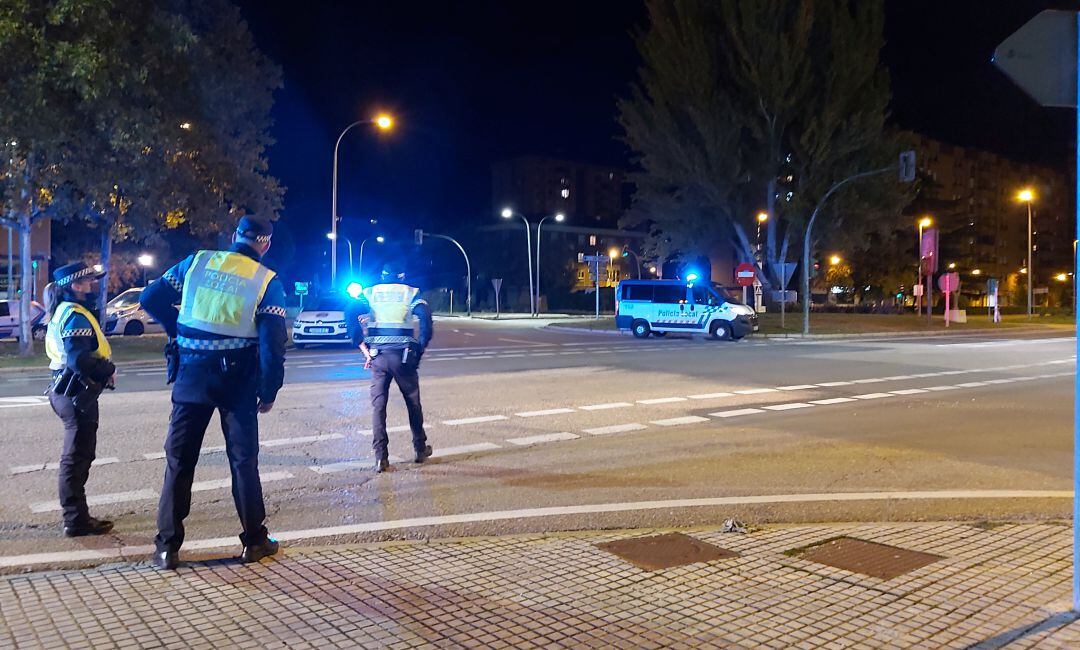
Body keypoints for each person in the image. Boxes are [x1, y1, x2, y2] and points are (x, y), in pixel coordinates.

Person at [140, 216, 288, 570]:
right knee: (243, 462)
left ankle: (166, 548)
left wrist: (176, 330)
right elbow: (272, 345)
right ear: (265, 244)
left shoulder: (197, 262)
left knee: (179, 461)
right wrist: (268, 391)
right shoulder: (266, 280)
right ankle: (254, 542)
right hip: (237, 381)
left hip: (191, 374)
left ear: (234, 235)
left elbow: (150, 297)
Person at [43, 262, 116, 537]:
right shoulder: (74, 315)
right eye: (87, 281)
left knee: (79, 456)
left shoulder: (64, 311)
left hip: (65, 391)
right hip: (75, 394)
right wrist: (108, 370)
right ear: (75, 285)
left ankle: (77, 516)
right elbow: (79, 360)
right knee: (76, 459)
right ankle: (76, 521)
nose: (91, 285)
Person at [358, 263, 434, 472]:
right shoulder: (410, 292)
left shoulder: (370, 292)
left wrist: (361, 342)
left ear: (382, 277)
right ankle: (419, 449)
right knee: (412, 403)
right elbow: (426, 320)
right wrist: (419, 347)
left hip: (378, 357)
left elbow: (349, 312)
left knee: (378, 407)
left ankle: (381, 457)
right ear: (401, 277)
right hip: (403, 357)